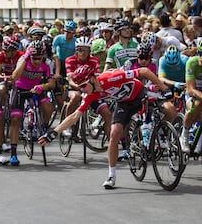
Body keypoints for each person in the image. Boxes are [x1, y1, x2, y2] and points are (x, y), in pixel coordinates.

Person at [38, 65, 171, 189]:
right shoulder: (90, 95)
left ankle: (163, 136)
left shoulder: (112, 77)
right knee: (114, 134)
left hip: (139, 94)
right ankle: (111, 175)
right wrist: (53, 133)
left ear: (91, 79)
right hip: (123, 104)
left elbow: (144, 71)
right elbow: (74, 116)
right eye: (80, 87)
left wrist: (164, 88)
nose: (83, 90)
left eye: (84, 85)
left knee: (165, 108)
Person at [9, 40, 55, 166]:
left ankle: (43, 126)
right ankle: (13, 153)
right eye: (33, 58)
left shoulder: (47, 63)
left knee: (48, 106)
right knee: (16, 118)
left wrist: (42, 86)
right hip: (20, 88)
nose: (36, 61)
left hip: (37, 88)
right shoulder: (23, 59)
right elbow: (14, 76)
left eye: (39, 58)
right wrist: (25, 58)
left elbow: (52, 83)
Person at [62, 36, 111, 139]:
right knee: (75, 96)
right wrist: (80, 88)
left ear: (90, 51)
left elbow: (97, 78)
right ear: (76, 50)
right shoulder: (69, 60)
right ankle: (67, 125)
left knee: (107, 113)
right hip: (74, 87)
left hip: (90, 89)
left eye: (86, 50)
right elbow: (70, 80)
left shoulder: (95, 60)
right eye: (80, 50)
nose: (83, 53)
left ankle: (111, 140)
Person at [179, 39, 202, 153]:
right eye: (201, 55)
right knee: (197, 104)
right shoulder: (192, 62)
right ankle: (185, 134)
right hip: (193, 93)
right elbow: (191, 90)